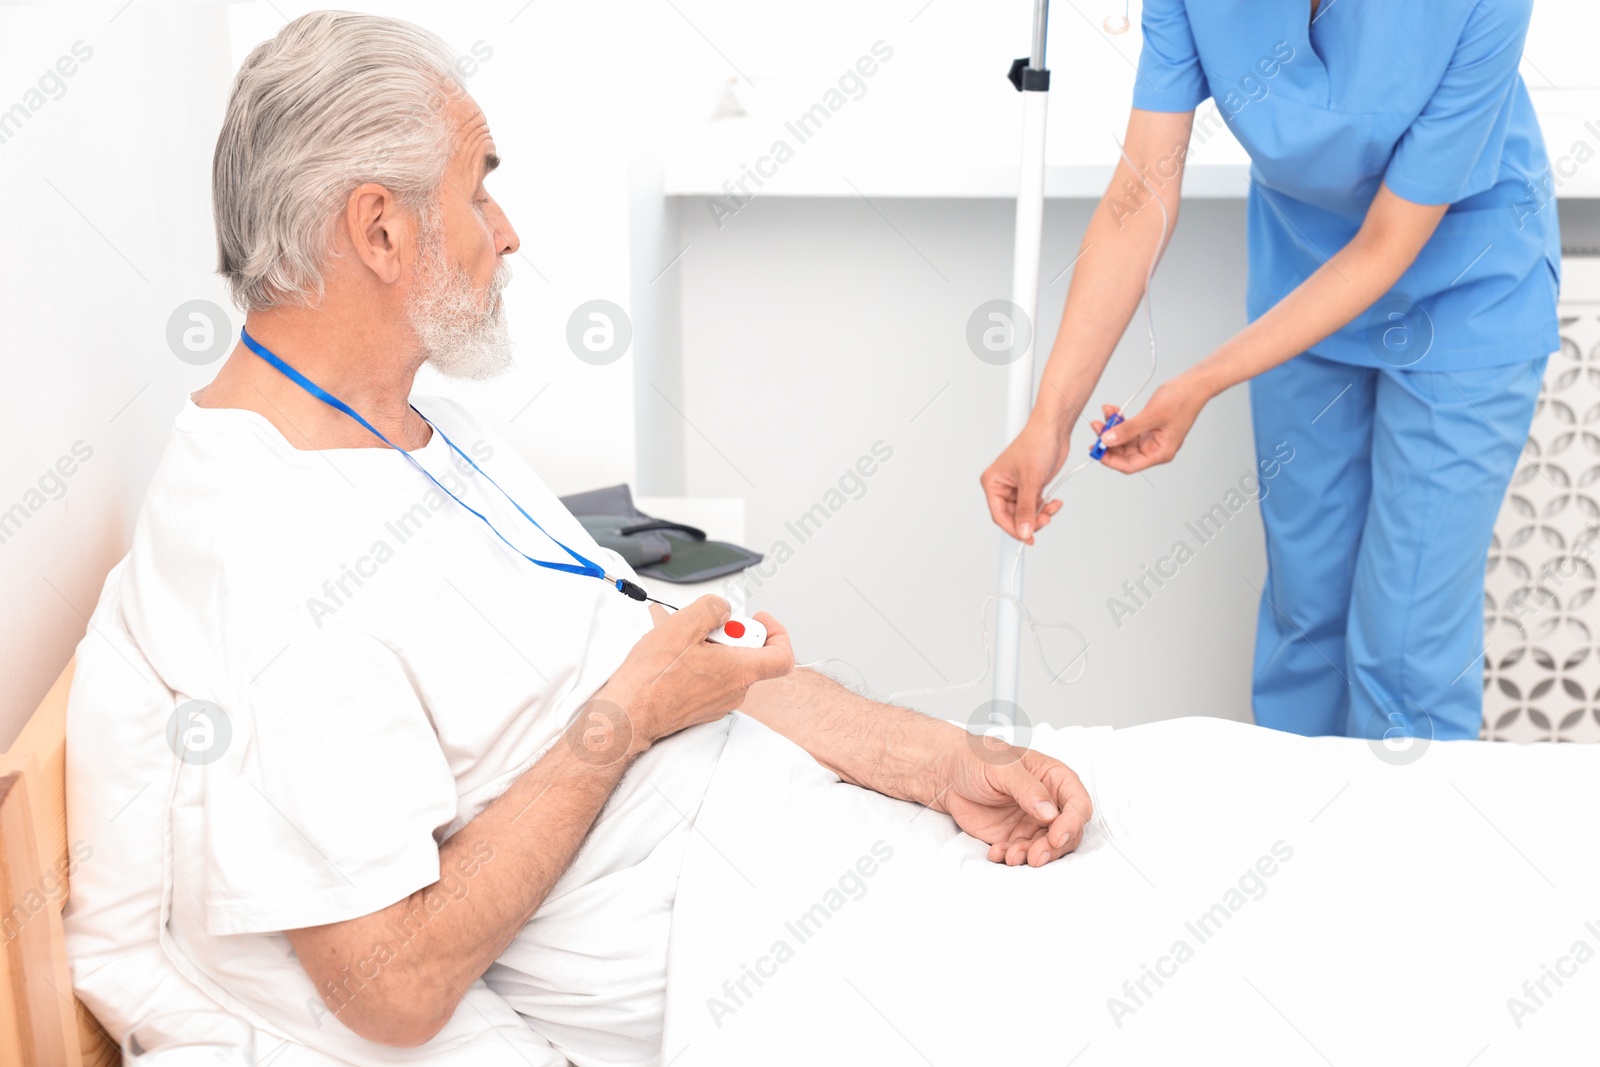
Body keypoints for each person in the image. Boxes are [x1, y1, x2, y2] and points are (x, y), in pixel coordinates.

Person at [63, 13, 1091, 1066]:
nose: (505, 232)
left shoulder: (422, 435)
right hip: (750, 945)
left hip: (808, 835)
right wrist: (627, 717)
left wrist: (936, 761)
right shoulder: (271, 557)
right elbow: (389, 986)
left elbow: (659, 660)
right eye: (477, 188)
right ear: (379, 229)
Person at [981, 0, 1558, 741]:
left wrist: (1199, 383)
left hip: (1467, 290)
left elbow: (1388, 241)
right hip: (1301, 284)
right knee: (1304, 617)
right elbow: (1138, 196)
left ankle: (1407, 854)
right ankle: (1294, 849)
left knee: (1405, 649)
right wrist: (1048, 421)